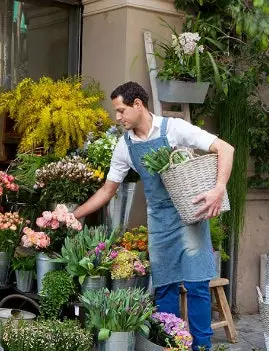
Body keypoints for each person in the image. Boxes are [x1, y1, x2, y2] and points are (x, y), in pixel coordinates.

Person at [73, 81, 234, 351]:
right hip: (159, 221)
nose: (118, 117)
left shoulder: (174, 128)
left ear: (138, 105)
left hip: (189, 214)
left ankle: (202, 347)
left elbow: (225, 149)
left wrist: (218, 189)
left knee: (197, 285)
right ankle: (171, 344)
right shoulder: (124, 146)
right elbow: (108, 190)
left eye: (122, 110)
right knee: (165, 287)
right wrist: (75, 214)